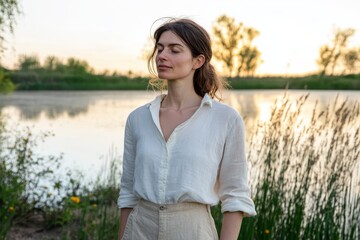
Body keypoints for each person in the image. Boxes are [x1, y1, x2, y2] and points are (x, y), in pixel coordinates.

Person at [118, 18, 256, 240]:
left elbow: (235, 196)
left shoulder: (225, 119)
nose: (162, 56)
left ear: (197, 61)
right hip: (140, 228)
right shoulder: (138, 119)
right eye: (160, 49)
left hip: (193, 230)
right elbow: (127, 193)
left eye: (174, 50)